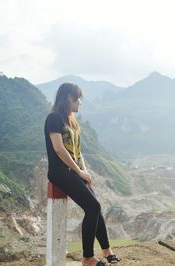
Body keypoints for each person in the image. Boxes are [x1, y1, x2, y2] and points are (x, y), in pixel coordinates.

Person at [44, 83, 121, 266]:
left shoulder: (70, 120)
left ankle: (106, 250)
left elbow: (78, 151)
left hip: (74, 170)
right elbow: (59, 149)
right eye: (78, 98)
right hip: (60, 172)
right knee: (93, 207)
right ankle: (88, 258)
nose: (80, 103)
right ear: (69, 98)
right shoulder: (53, 118)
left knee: (96, 207)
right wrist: (78, 171)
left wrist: (83, 171)